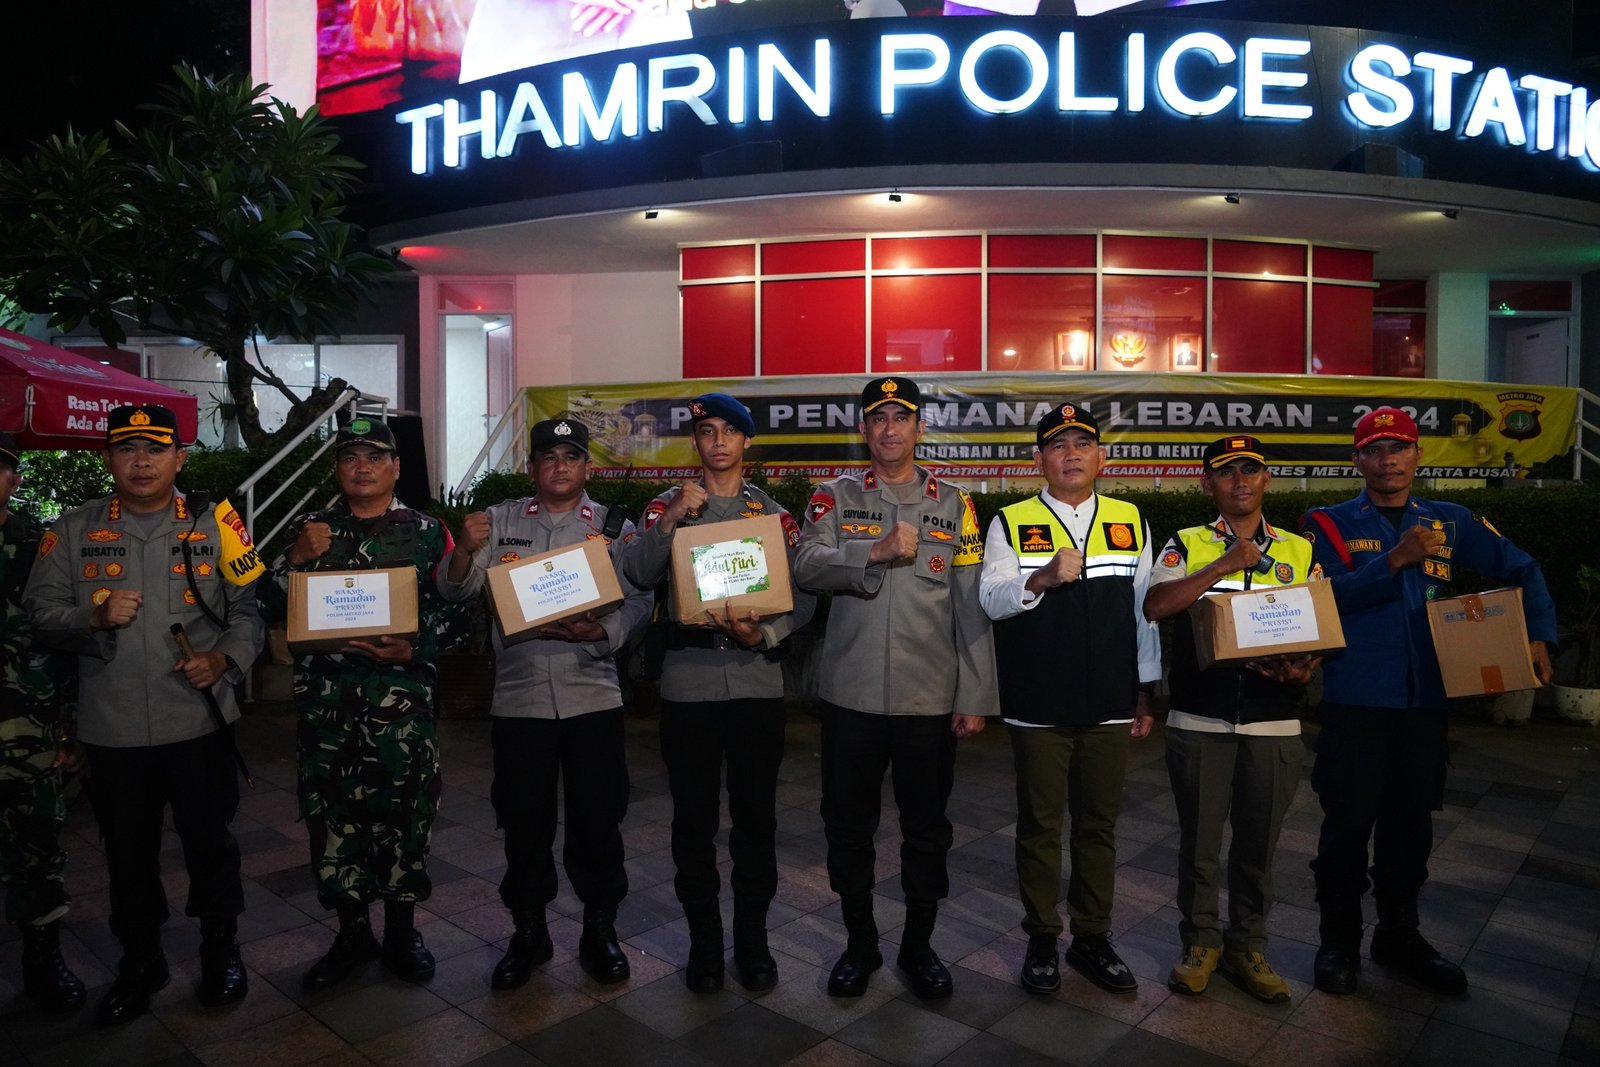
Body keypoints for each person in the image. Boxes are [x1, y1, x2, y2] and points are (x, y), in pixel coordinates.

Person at [1299, 406, 1556, 997]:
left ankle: (1399, 937)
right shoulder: (1327, 523)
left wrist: (1538, 634)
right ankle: (1338, 942)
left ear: (1418, 455)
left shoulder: (1451, 521)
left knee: (1410, 830)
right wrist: (1393, 560)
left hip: (1426, 703)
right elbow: (1324, 599)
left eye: (1399, 448)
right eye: (1374, 450)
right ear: (1357, 460)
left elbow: (1523, 567)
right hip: (1358, 701)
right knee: (1346, 828)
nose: (1387, 460)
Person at [24, 405, 264, 1025]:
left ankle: (221, 951)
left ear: (179, 459)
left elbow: (248, 610)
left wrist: (225, 660)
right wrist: (92, 617)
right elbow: (41, 614)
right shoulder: (72, 529)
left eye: (155, 449)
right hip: (115, 727)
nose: (141, 461)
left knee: (211, 845)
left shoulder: (219, 523)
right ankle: (141, 961)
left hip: (200, 721)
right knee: (128, 855)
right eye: (127, 449)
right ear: (108, 458)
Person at [793, 376, 995, 1000]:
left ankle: (918, 946)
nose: (888, 429)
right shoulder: (832, 497)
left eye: (900, 418)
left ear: (919, 427)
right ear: (863, 429)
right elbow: (805, 566)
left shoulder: (955, 504)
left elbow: (970, 604)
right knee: (847, 827)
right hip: (850, 696)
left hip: (928, 700)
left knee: (926, 830)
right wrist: (872, 553)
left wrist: (975, 696)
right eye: (877, 418)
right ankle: (860, 944)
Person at [439, 417, 651, 990]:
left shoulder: (615, 527)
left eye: (571, 456)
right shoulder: (499, 521)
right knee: (523, 823)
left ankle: (599, 929)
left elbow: (639, 600)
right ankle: (528, 931)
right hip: (520, 700)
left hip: (592, 696)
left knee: (597, 821)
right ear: (531, 466)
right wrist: (464, 550)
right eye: (549, 456)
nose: (560, 466)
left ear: (587, 467)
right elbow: (454, 589)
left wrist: (602, 632)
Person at [618, 392, 814, 993]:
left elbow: (805, 595)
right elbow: (636, 573)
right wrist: (672, 519)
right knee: (693, 823)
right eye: (707, 431)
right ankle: (704, 943)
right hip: (690, 683)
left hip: (755, 682)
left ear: (747, 441)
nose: (719, 441)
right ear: (696, 441)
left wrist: (767, 633)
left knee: (757, 821)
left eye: (730, 431)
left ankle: (752, 941)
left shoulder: (773, 515)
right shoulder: (667, 505)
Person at [261, 417, 467, 991]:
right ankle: (352, 933)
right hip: (327, 711)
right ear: (337, 469)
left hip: (401, 712)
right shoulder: (310, 529)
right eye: (351, 457)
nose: (362, 467)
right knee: (333, 821)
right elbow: (265, 604)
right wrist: (294, 559)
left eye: (375, 457)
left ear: (396, 467)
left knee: (406, 816)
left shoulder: (428, 532)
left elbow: (458, 612)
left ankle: (402, 932)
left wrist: (415, 646)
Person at [978, 402, 1159, 996]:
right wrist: (1040, 578)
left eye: (1083, 444)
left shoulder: (1130, 518)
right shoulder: (1011, 520)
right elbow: (991, 598)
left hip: (1110, 699)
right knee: (1039, 825)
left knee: (1098, 824)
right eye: (1058, 445)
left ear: (1102, 456)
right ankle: (1040, 937)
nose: (1072, 454)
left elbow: (1144, 614)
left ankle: (1092, 937)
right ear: (1040, 459)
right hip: (1038, 700)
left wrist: (1145, 690)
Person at [1142, 435, 1320, 1004]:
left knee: (1258, 846)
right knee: (1199, 845)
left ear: (1267, 479)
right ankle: (1200, 943)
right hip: (1200, 718)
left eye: (1250, 470)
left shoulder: (1298, 549)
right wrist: (1224, 563)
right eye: (1226, 472)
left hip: (1274, 722)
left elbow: (1319, 624)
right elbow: (1156, 606)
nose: (1239, 480)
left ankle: (1248, 946)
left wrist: (1306, 667)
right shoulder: (1186, 542)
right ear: (1207, 484)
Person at [0, 432, 85, 1011]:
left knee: (36, 850)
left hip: (27, 730)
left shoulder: (41, 547)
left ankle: (42, 958)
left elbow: (69, 642)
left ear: (16, 479)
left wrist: (71, 729)